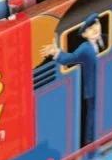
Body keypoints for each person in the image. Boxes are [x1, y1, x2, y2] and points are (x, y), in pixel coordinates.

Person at [42, 14, 105, 149]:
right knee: (92, 113)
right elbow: (70, 58)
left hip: (104, 83)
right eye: (89, 29)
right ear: (84, 35)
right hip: (92, 87)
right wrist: (56, 52)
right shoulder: (85, 48)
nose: (94, 29)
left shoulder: (104, 39)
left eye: (96, 24)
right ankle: (90, 141)